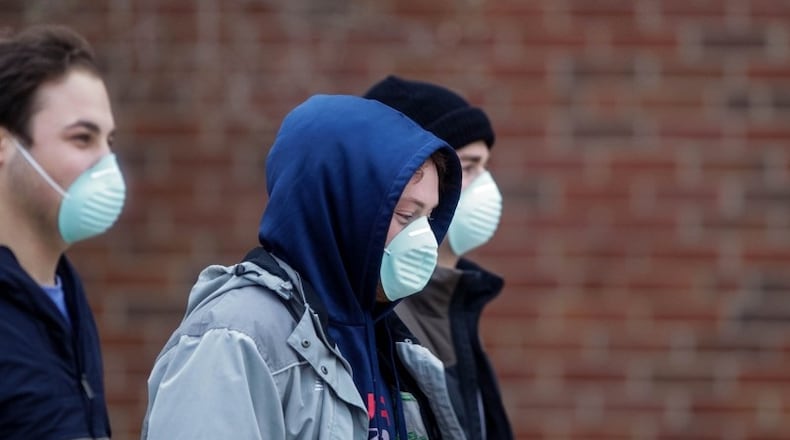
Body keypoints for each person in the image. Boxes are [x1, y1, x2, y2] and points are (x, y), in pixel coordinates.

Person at [142, 94, 466, 439]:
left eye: (428, 218)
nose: (425, 240)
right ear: (340, 207)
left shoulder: (387, 346)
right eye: (405, 215)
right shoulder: (233, 340)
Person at [364, 75, 513, 440]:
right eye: (469, 165)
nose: (485, 186)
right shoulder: (382, 307)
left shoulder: (453, 301)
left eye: (486, 166)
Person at [0, 25, 126, 439]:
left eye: (108, 141)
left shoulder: (66, 295)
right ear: (4, 144)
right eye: (82, 138)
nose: (107, 163)